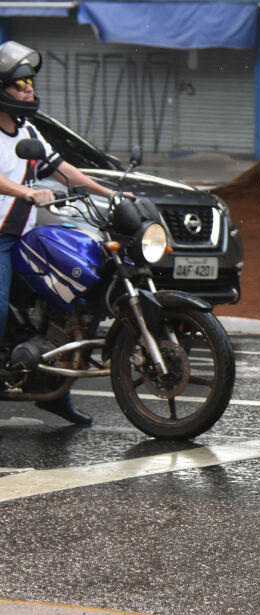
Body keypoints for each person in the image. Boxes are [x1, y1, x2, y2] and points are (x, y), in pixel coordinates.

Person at [0, 40, 116, 426]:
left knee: (68, 306)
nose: (28, 88)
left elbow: (61, 167)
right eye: (19, 84)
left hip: (26, 237)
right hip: (0, 240)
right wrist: (27, 191)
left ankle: (54, 391)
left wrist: (108, 191)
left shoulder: (27, 128)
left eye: (29, 82)